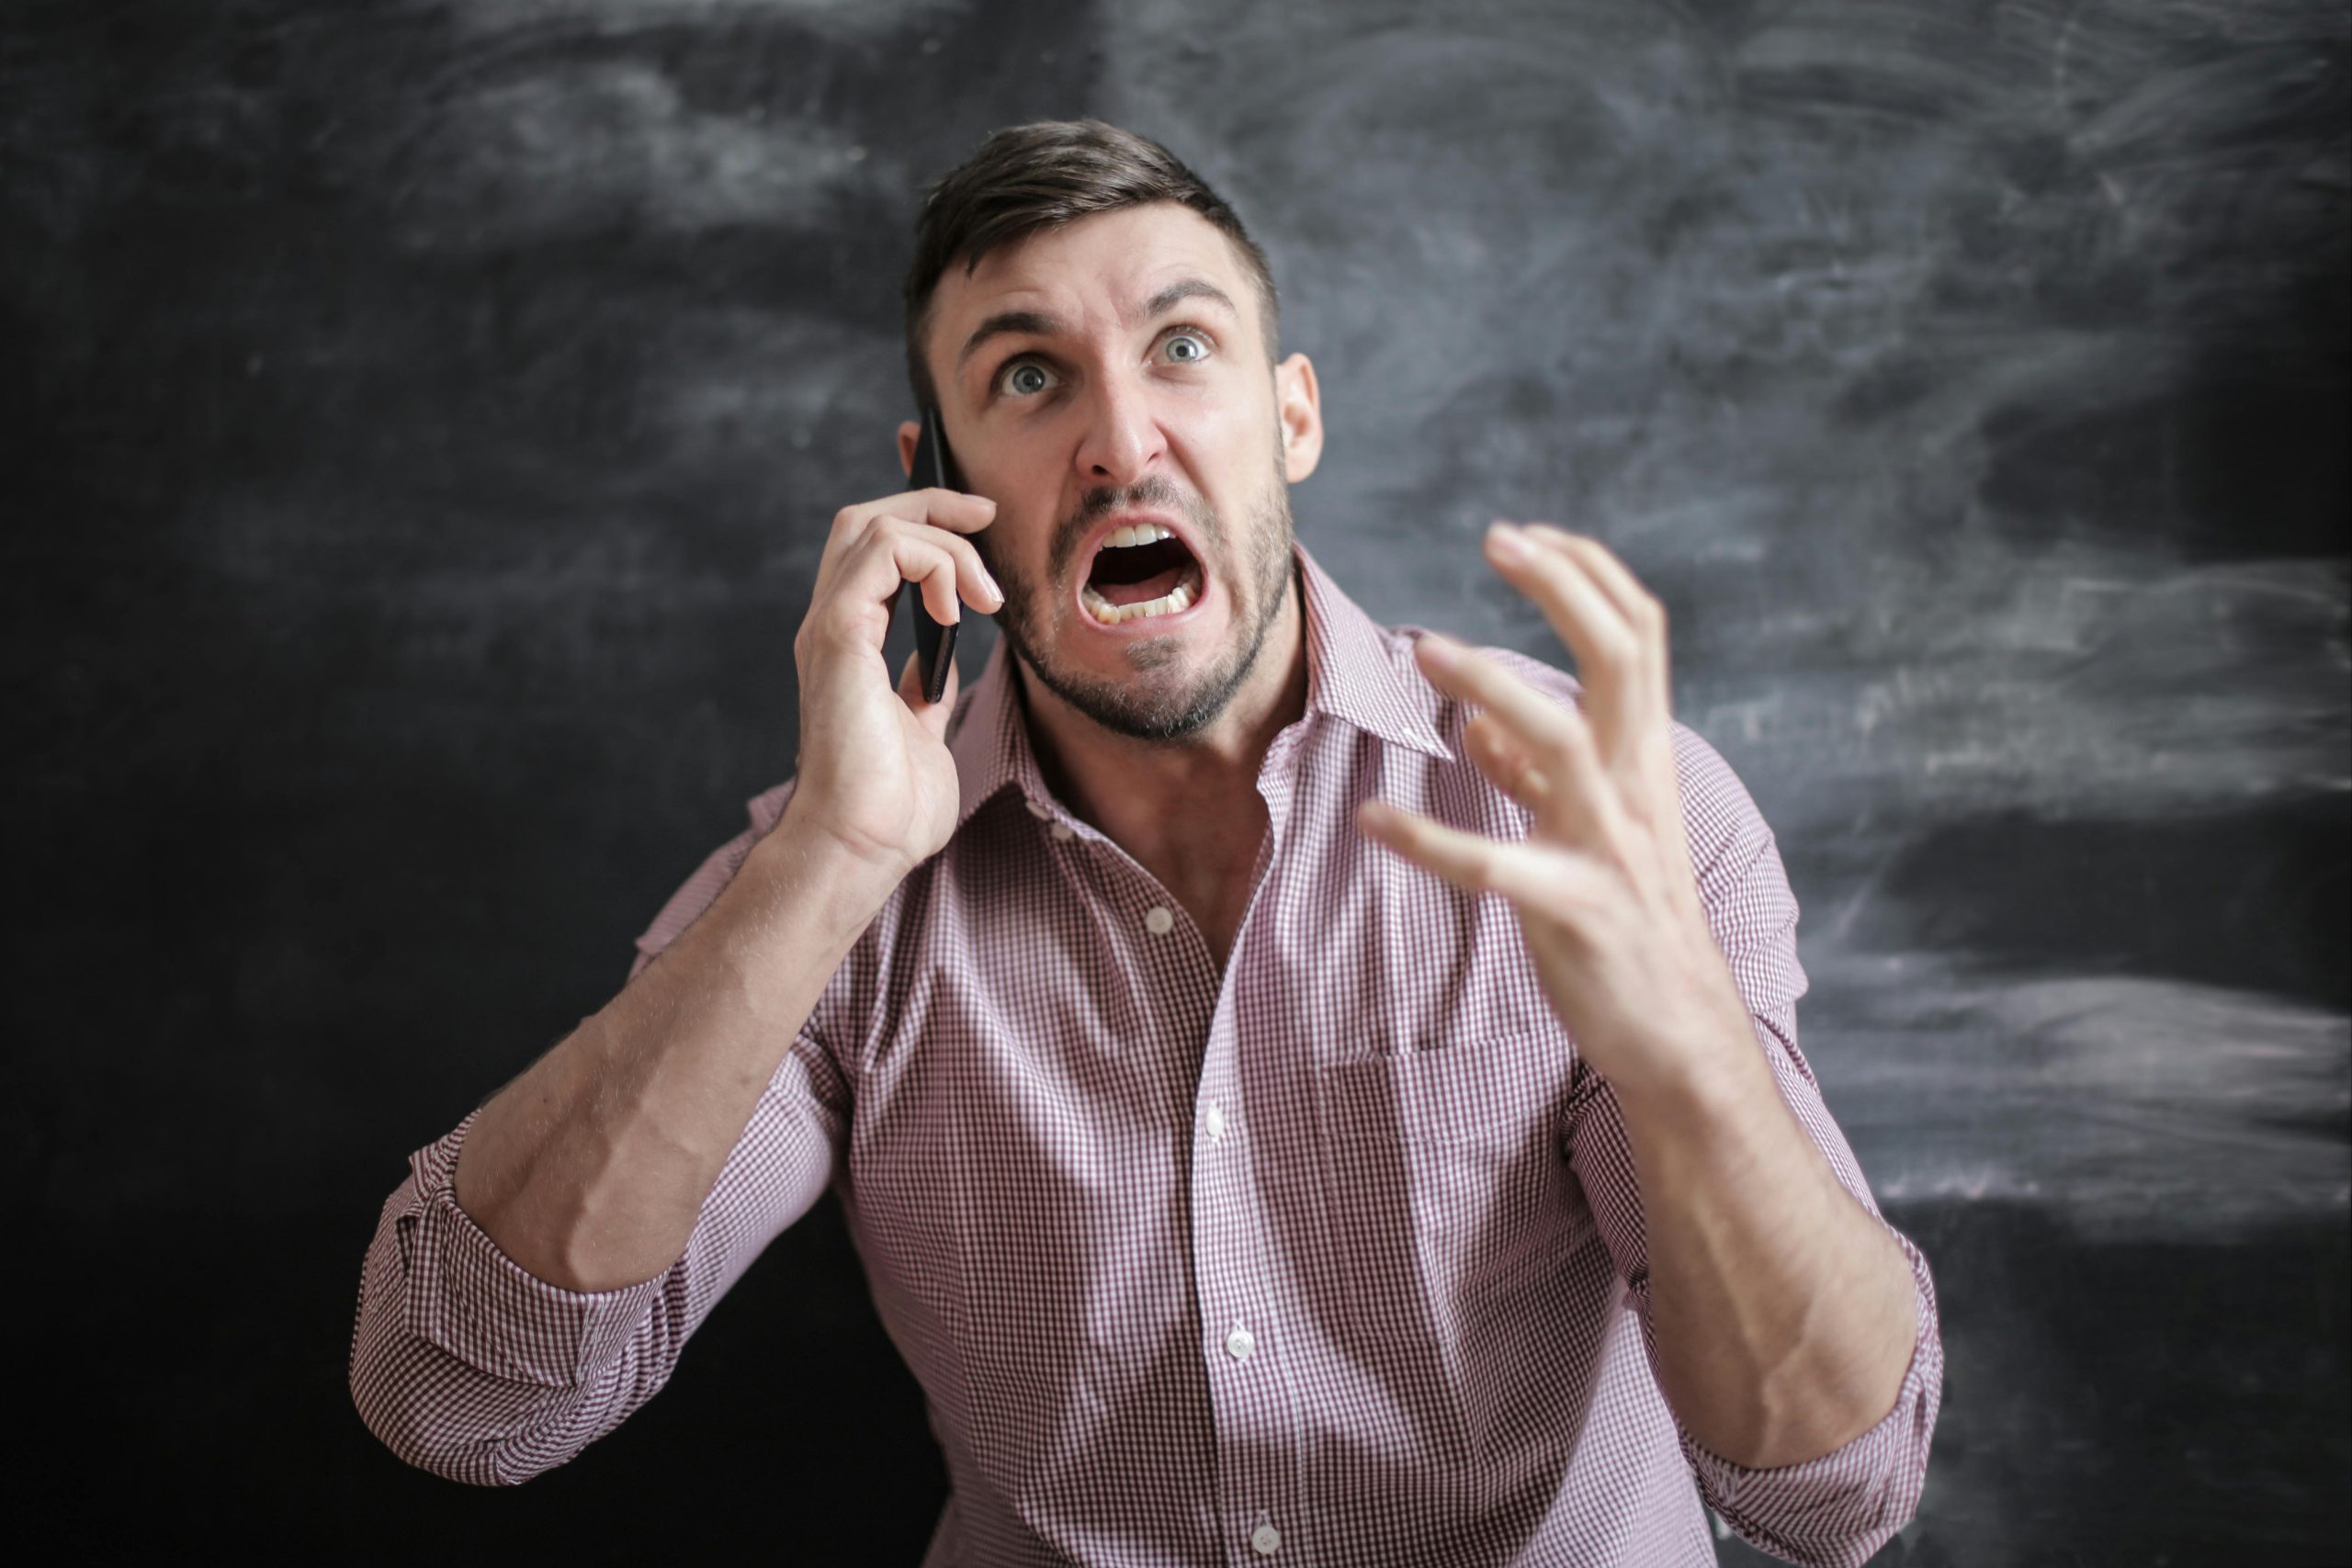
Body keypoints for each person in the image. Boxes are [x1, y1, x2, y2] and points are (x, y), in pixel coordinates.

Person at [350, 119, 1942, 1567]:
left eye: (1183, 347)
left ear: (1291, 415)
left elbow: (1832, 1496)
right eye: (1027, 378)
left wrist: (1688, 1059)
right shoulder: (830, 889)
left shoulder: (1599, 811)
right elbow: (463, 1402)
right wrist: (826, 863)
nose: (1121, 442)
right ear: (936, 488)